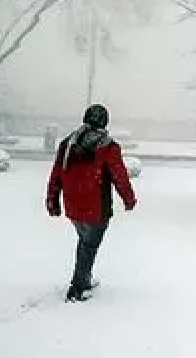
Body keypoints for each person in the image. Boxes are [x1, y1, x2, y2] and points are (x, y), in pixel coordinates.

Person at [45, 104, 137, 302]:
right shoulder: (108, 147)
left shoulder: (68, 143)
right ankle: (77, 288)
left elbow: (56, 174)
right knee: (89, 246)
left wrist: (52, 200)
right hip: (97, 209)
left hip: (73, 207)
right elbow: (119, 176)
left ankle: (84, 277)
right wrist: (129, 199)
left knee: (85, 243)